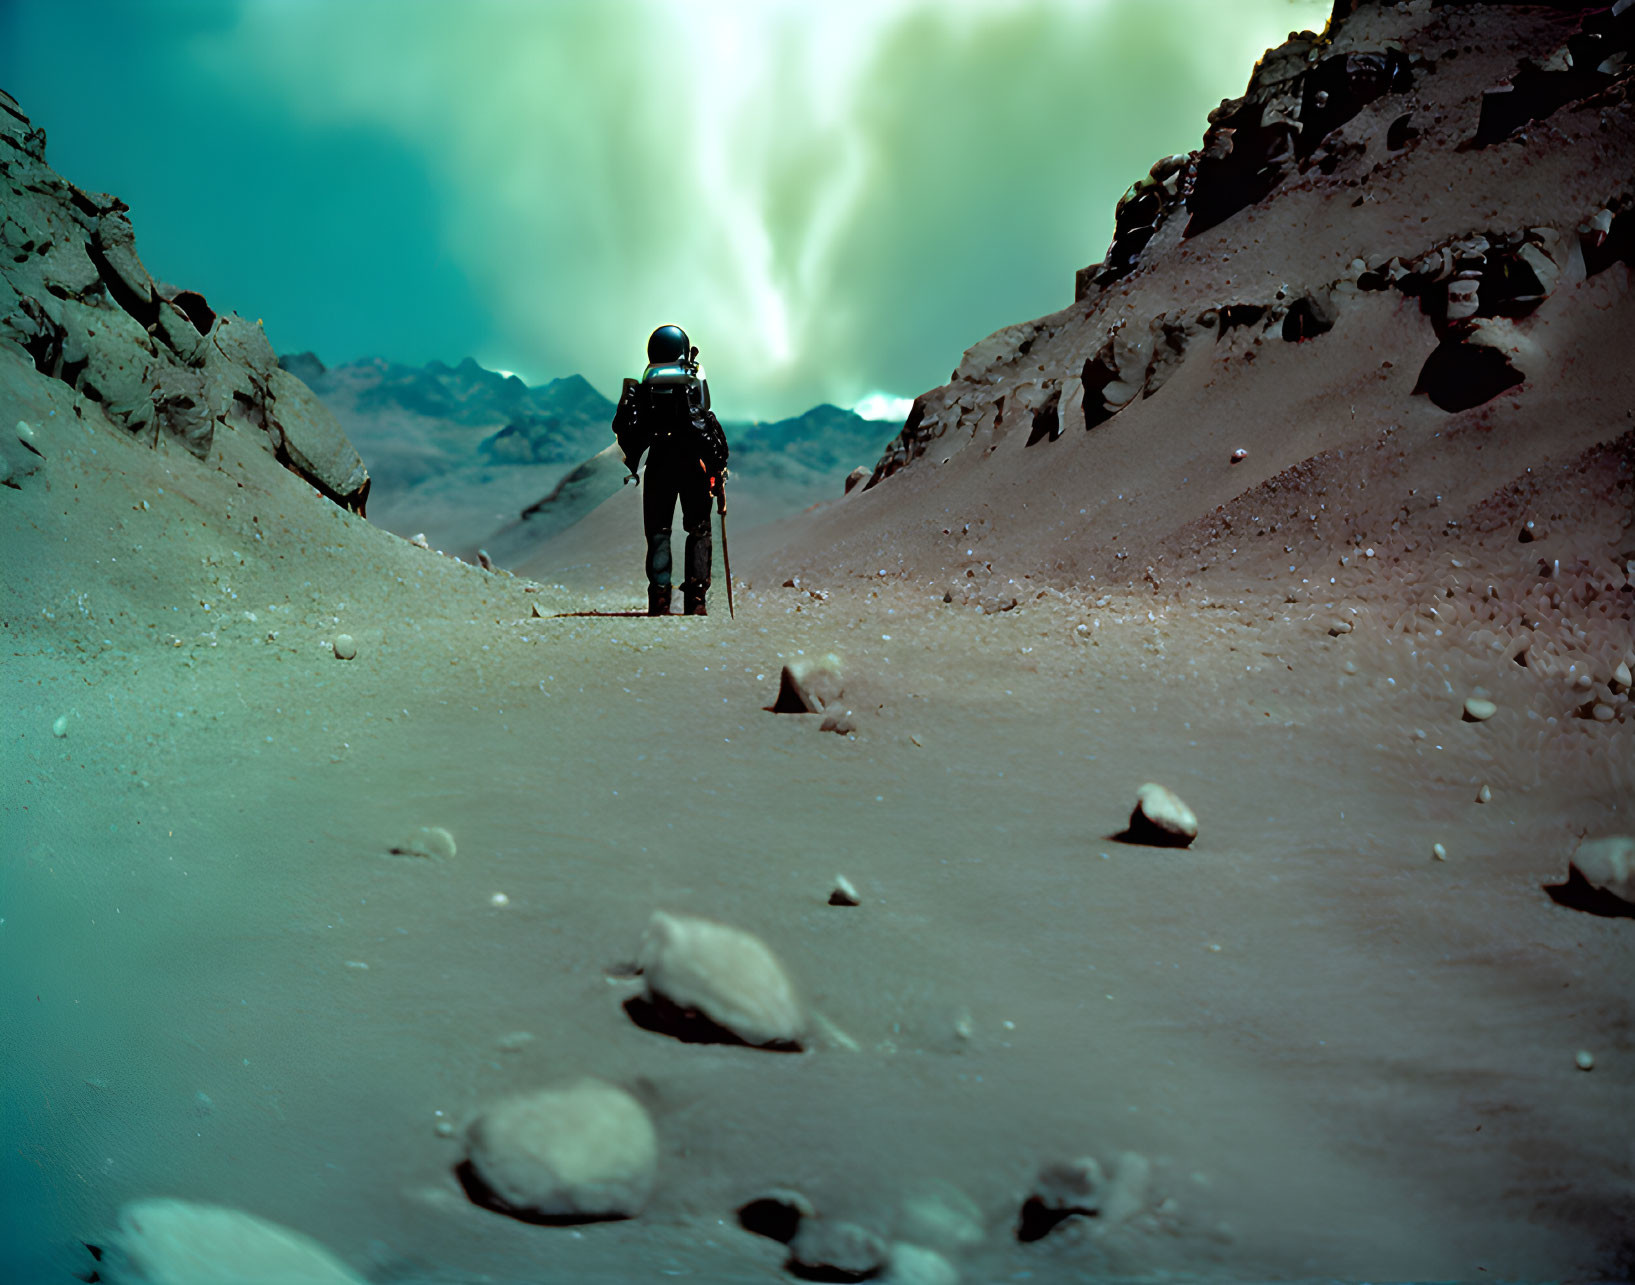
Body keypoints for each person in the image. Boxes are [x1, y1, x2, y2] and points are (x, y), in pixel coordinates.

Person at [611, 325, 730, 616]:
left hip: (659, 464)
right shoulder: (691, 381)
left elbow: (630, 430)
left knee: (658, 531)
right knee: (699, 528)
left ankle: (660, 599)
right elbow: (704, 424)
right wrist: (717, 468)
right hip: (693, 465)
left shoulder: (647, 385)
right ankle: (696, 601)